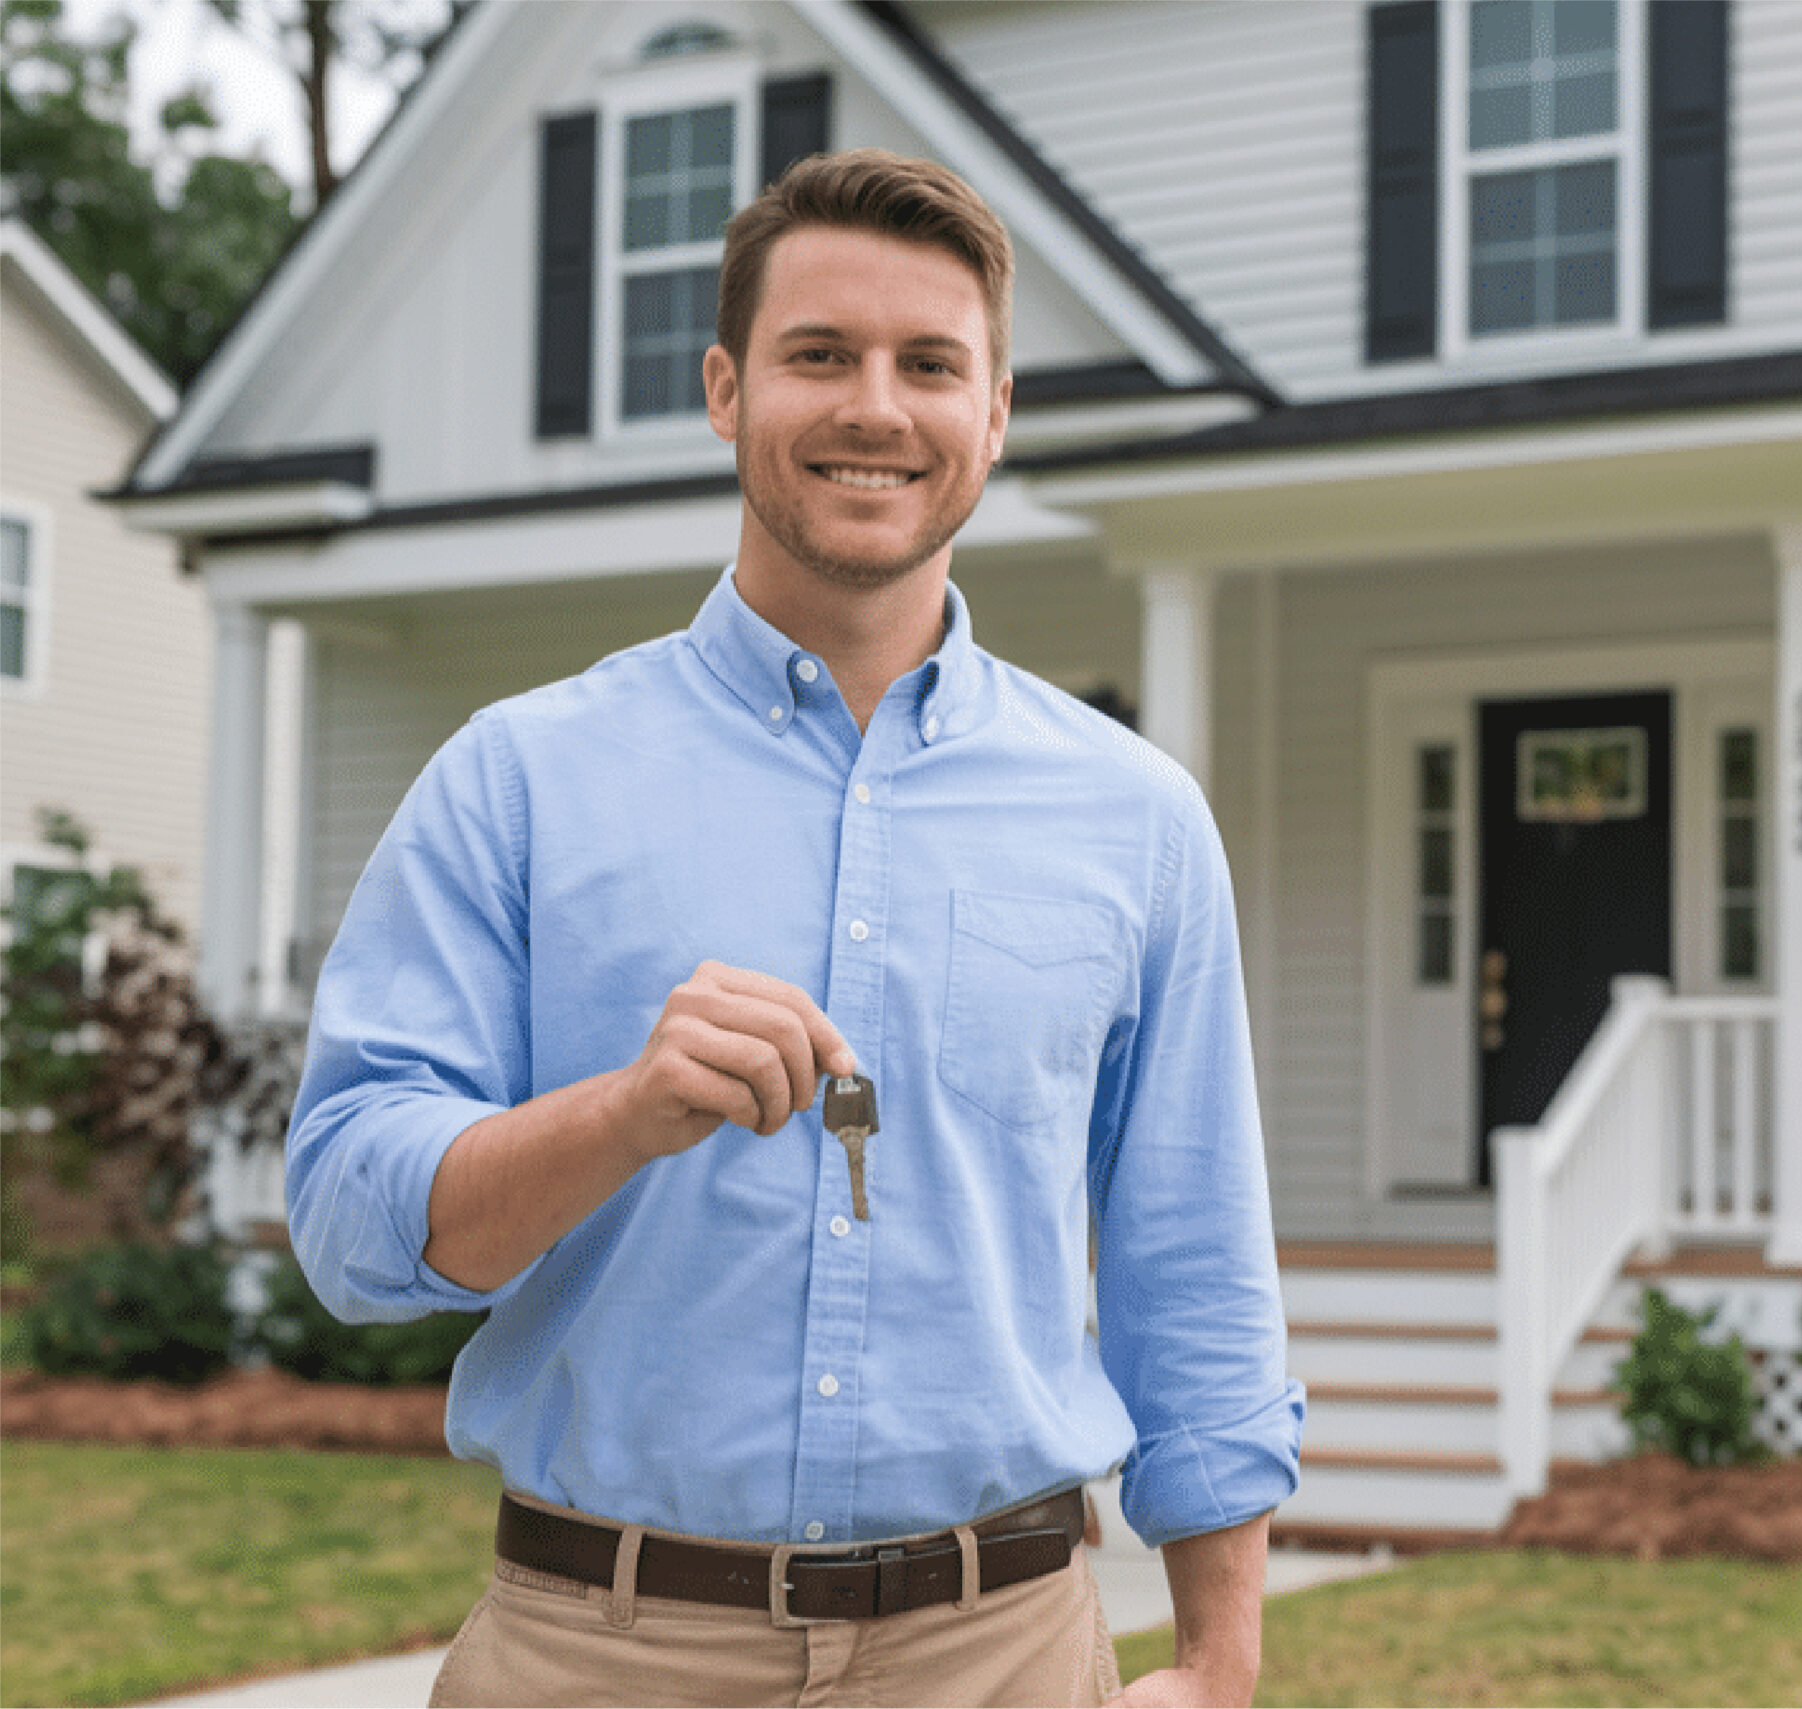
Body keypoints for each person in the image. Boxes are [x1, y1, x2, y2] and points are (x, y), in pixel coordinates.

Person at [285, 148, 1303, 1708]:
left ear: (997, 411)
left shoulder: (1139, 818)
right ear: (723, 388)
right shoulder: (519, 779)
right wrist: (619, 1118)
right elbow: (354, 1226)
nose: (874, 408)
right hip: (599, 1650)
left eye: (929, 365)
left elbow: (1195, 1262)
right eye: (818, 355)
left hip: (1004, 1652)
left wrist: (1223, 1661)